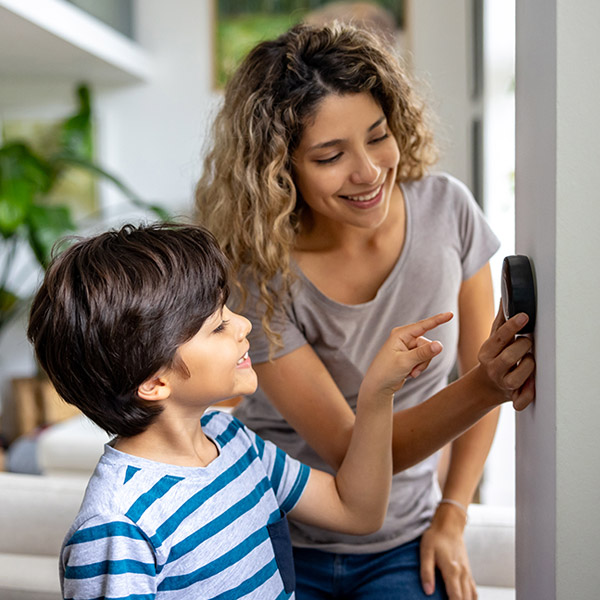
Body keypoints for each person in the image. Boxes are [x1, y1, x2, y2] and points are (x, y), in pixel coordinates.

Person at [195, 22, 535, 600]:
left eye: (378, 136)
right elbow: (353, 451)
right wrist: (487, 385)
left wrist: (452, 514)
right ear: (281, 170)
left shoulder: (447, 210)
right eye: (331, 155)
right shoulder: (258, 269)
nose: (370, 171)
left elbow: (486, 366)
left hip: (403, 538)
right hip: (275, 534)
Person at [27, 222, 453, 600]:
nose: (244, 324)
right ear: (155, 382)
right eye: (218, 325)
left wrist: (378, 393)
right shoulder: (116, 525)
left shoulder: (232, 439)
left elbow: (358, 511)